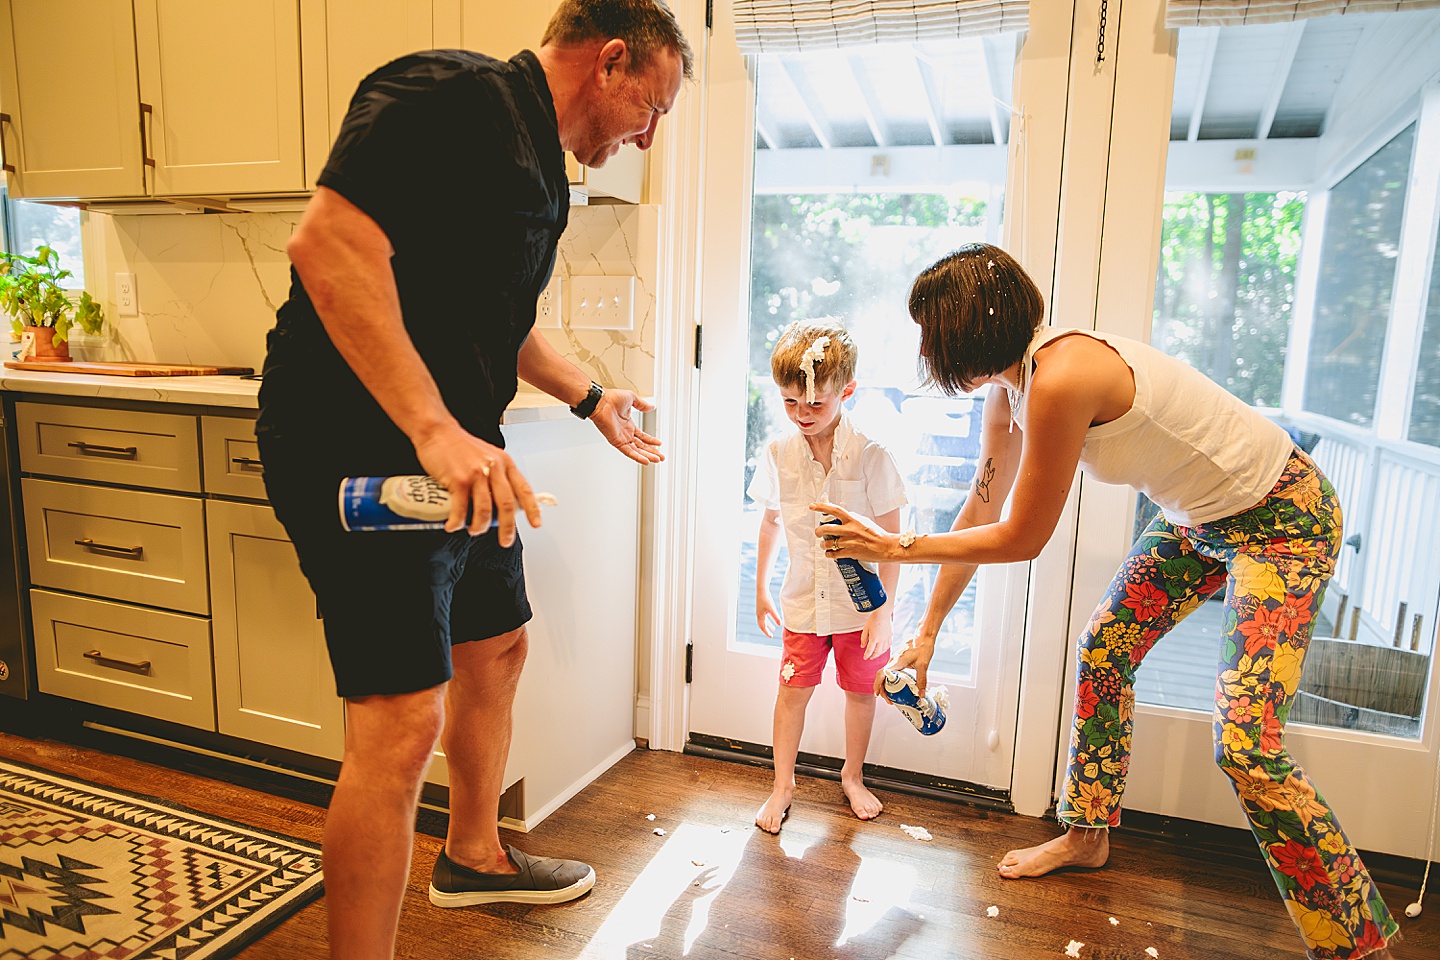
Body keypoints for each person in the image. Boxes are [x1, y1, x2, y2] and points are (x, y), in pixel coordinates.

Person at [253, 3, 693, 957]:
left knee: (497, 648)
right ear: (610, 60)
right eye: (649, 108)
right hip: (357, 448)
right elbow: (327, 245)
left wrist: (592, 397)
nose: (647, 134)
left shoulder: (542, 165)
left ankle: (474, 856)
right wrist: (433, 429)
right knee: (402, 719)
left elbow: (503, 316)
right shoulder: (451, 95)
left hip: (461, 453)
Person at [815, 243, 1399, 960]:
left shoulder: (1062, 378)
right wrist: (929, 630)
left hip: (1283, 515)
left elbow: (1023, 537)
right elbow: (983, 505)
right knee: (1106, 650)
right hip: (1202, 518)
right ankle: (1086, 837)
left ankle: (1359, 941)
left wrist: (893, 549)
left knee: (1246, 743)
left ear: (966, 329)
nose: (926, 350)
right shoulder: (1012, 386)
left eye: (930, 334)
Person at [747, 319, 908, 834]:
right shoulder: (778, 454)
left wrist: (883, 615)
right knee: (791, 691)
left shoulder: (871, 454)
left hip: (861, 609)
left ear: (847, 391)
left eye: (815, 404)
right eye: (790, 403)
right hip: (802, 602)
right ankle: (783, 785)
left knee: (861, 693)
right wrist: (761, 588)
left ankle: (853, 775)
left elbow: (893, 542)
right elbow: (771, 521)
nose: (802, 415)